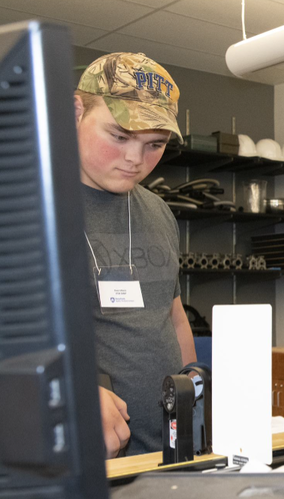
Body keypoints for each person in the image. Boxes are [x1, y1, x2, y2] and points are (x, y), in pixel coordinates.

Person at [75, 53, 196, 457]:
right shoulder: (23, 208)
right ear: (75, 111)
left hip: (167, 453)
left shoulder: (158, 210)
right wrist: (72, 391)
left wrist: (195, 392)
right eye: (120, 136)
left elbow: (174, 317)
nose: (135, 160)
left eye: (154, 144)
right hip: (85, 461)